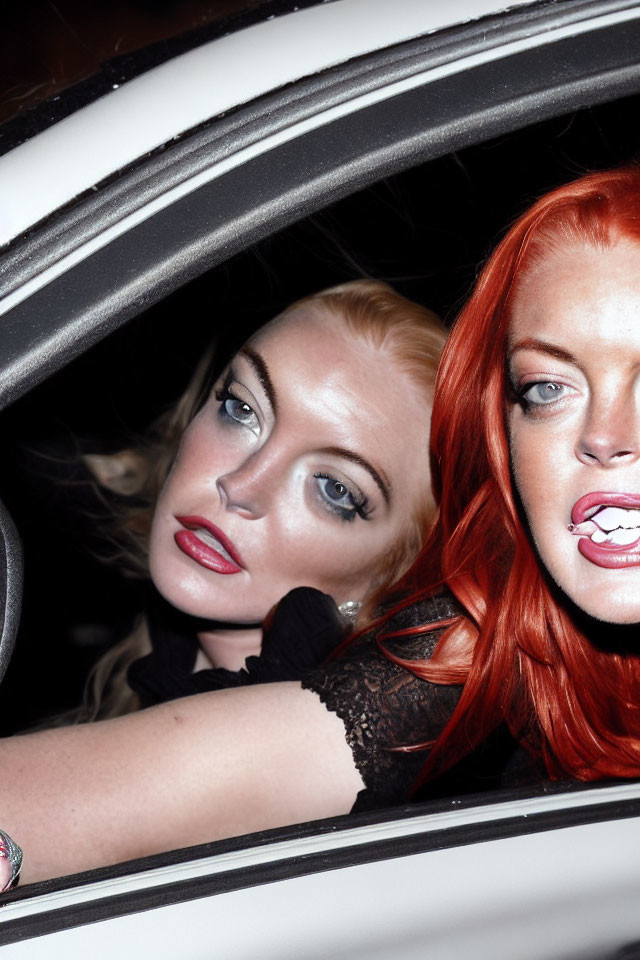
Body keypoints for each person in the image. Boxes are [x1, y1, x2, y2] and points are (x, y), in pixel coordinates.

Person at [0, 278, 446, 884]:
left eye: (336, 490)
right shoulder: (153, 656)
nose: (241, 484)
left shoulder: (328, 750)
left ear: (390, 576)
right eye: (242, 409)